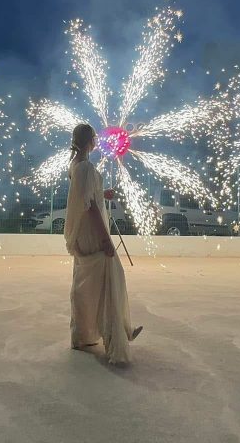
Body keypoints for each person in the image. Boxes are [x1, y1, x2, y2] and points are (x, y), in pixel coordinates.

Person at [65, 123, 142, 365]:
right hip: (92, 232)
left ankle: (84, 335)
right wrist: (105, 239)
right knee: (112, 278)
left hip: (81, 233)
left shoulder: (74, 164)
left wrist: (102, 192)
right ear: (91, 141)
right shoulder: (86, 167)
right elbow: (90, 207)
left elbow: (84, 194)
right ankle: (117, 335)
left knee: (86, 285)